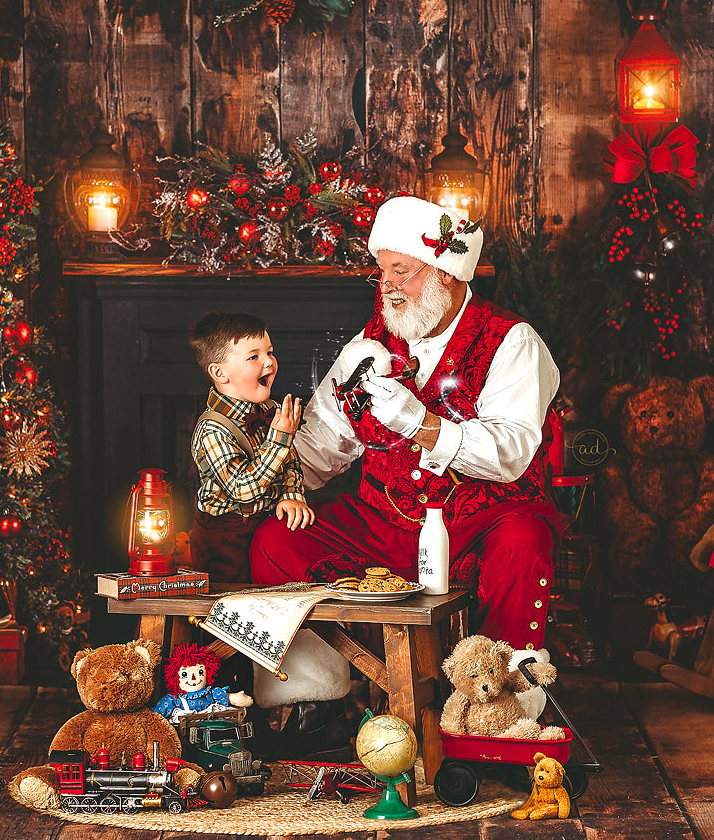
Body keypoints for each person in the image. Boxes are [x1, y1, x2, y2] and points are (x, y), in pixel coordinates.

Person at [250, 195, 563, 651]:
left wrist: (422, 424)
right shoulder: (369, 342)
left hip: (480, 527)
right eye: (383, 270)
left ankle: (497, 704)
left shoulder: (513, 342)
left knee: (522, 543)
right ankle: (328, 690)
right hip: (382, 527)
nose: (386, 285)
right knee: (278, 542)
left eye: (401, 271)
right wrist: (258, 477)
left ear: (447, 272)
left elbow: (510, 452)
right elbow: (323, 440)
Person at [187, 312, 315, 583]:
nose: (268, 361)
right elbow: (243, 489)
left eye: (270, 352)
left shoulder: (271, 411)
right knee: (231, 609)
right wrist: (279, 439)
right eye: (253, 356)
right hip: (225, 539)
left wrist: (291, 495)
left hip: (265, 527)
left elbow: (290, 463)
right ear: (219, 373)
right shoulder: (212, 429)